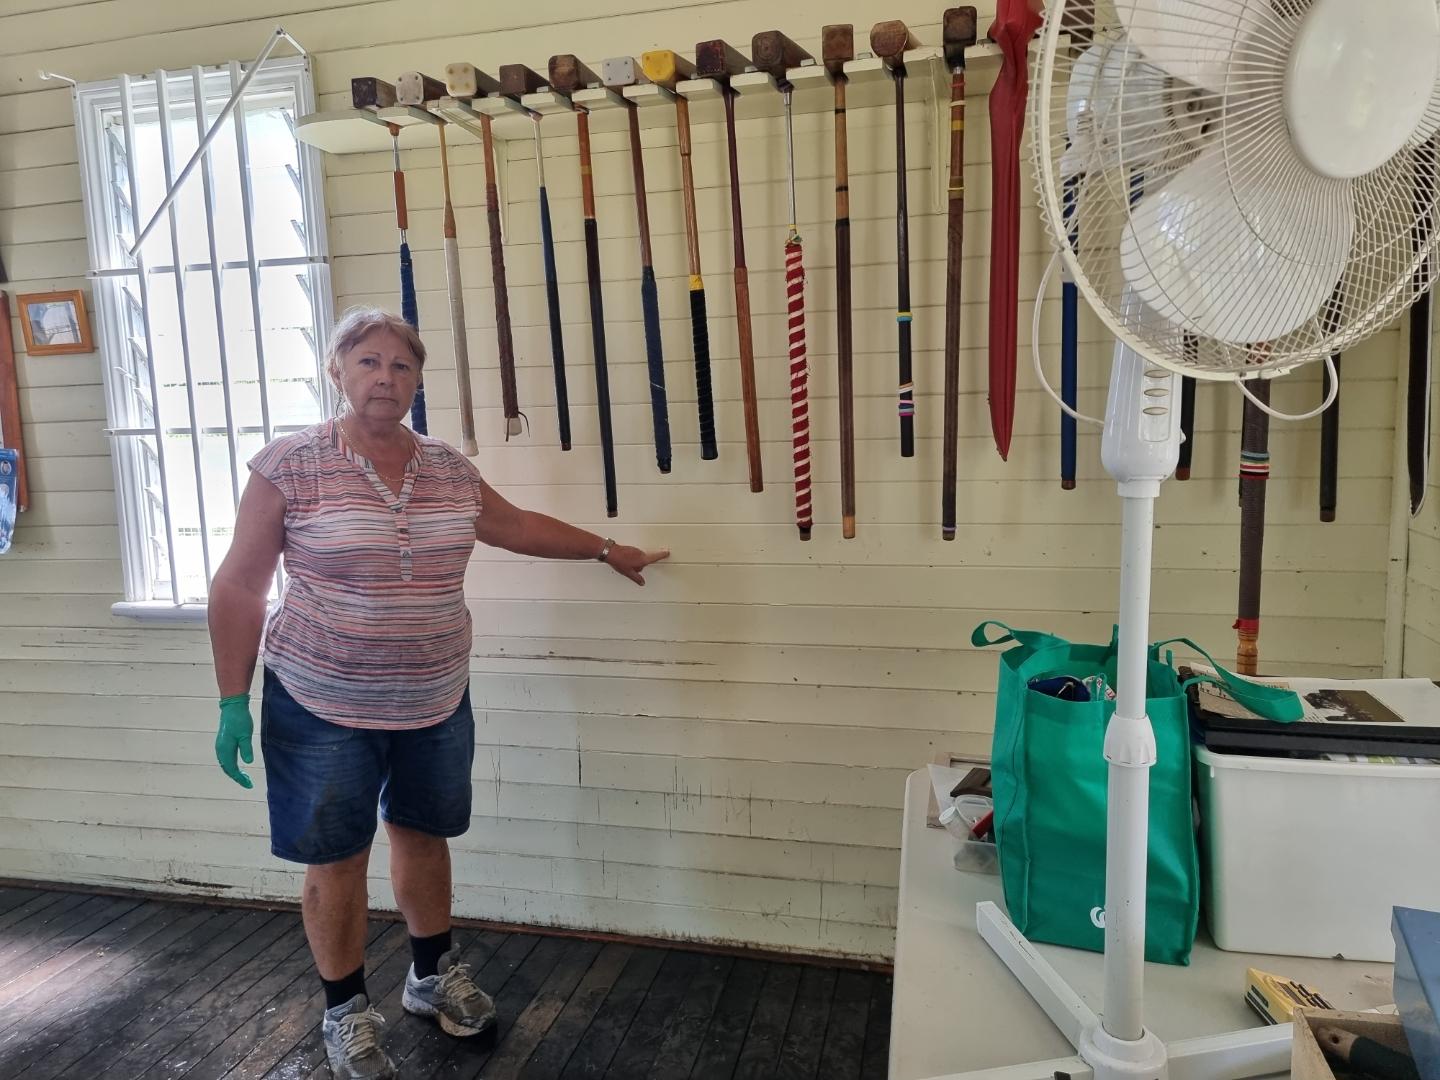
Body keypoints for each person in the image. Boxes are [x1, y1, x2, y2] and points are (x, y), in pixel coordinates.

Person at [207, 307, 668, 1079]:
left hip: (433, 697)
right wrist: (231, 700)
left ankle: (430, 979)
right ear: (336, 372)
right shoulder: (289, 465)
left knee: (423, 836)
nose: (384, 378)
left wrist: (604, 549)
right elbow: (240, 586)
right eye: (367, 363)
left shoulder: (447, 467)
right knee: (337, 859)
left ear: (418, 380)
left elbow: (515, 525)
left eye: (401, 366)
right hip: (321, 702)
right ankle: (347, 1012)